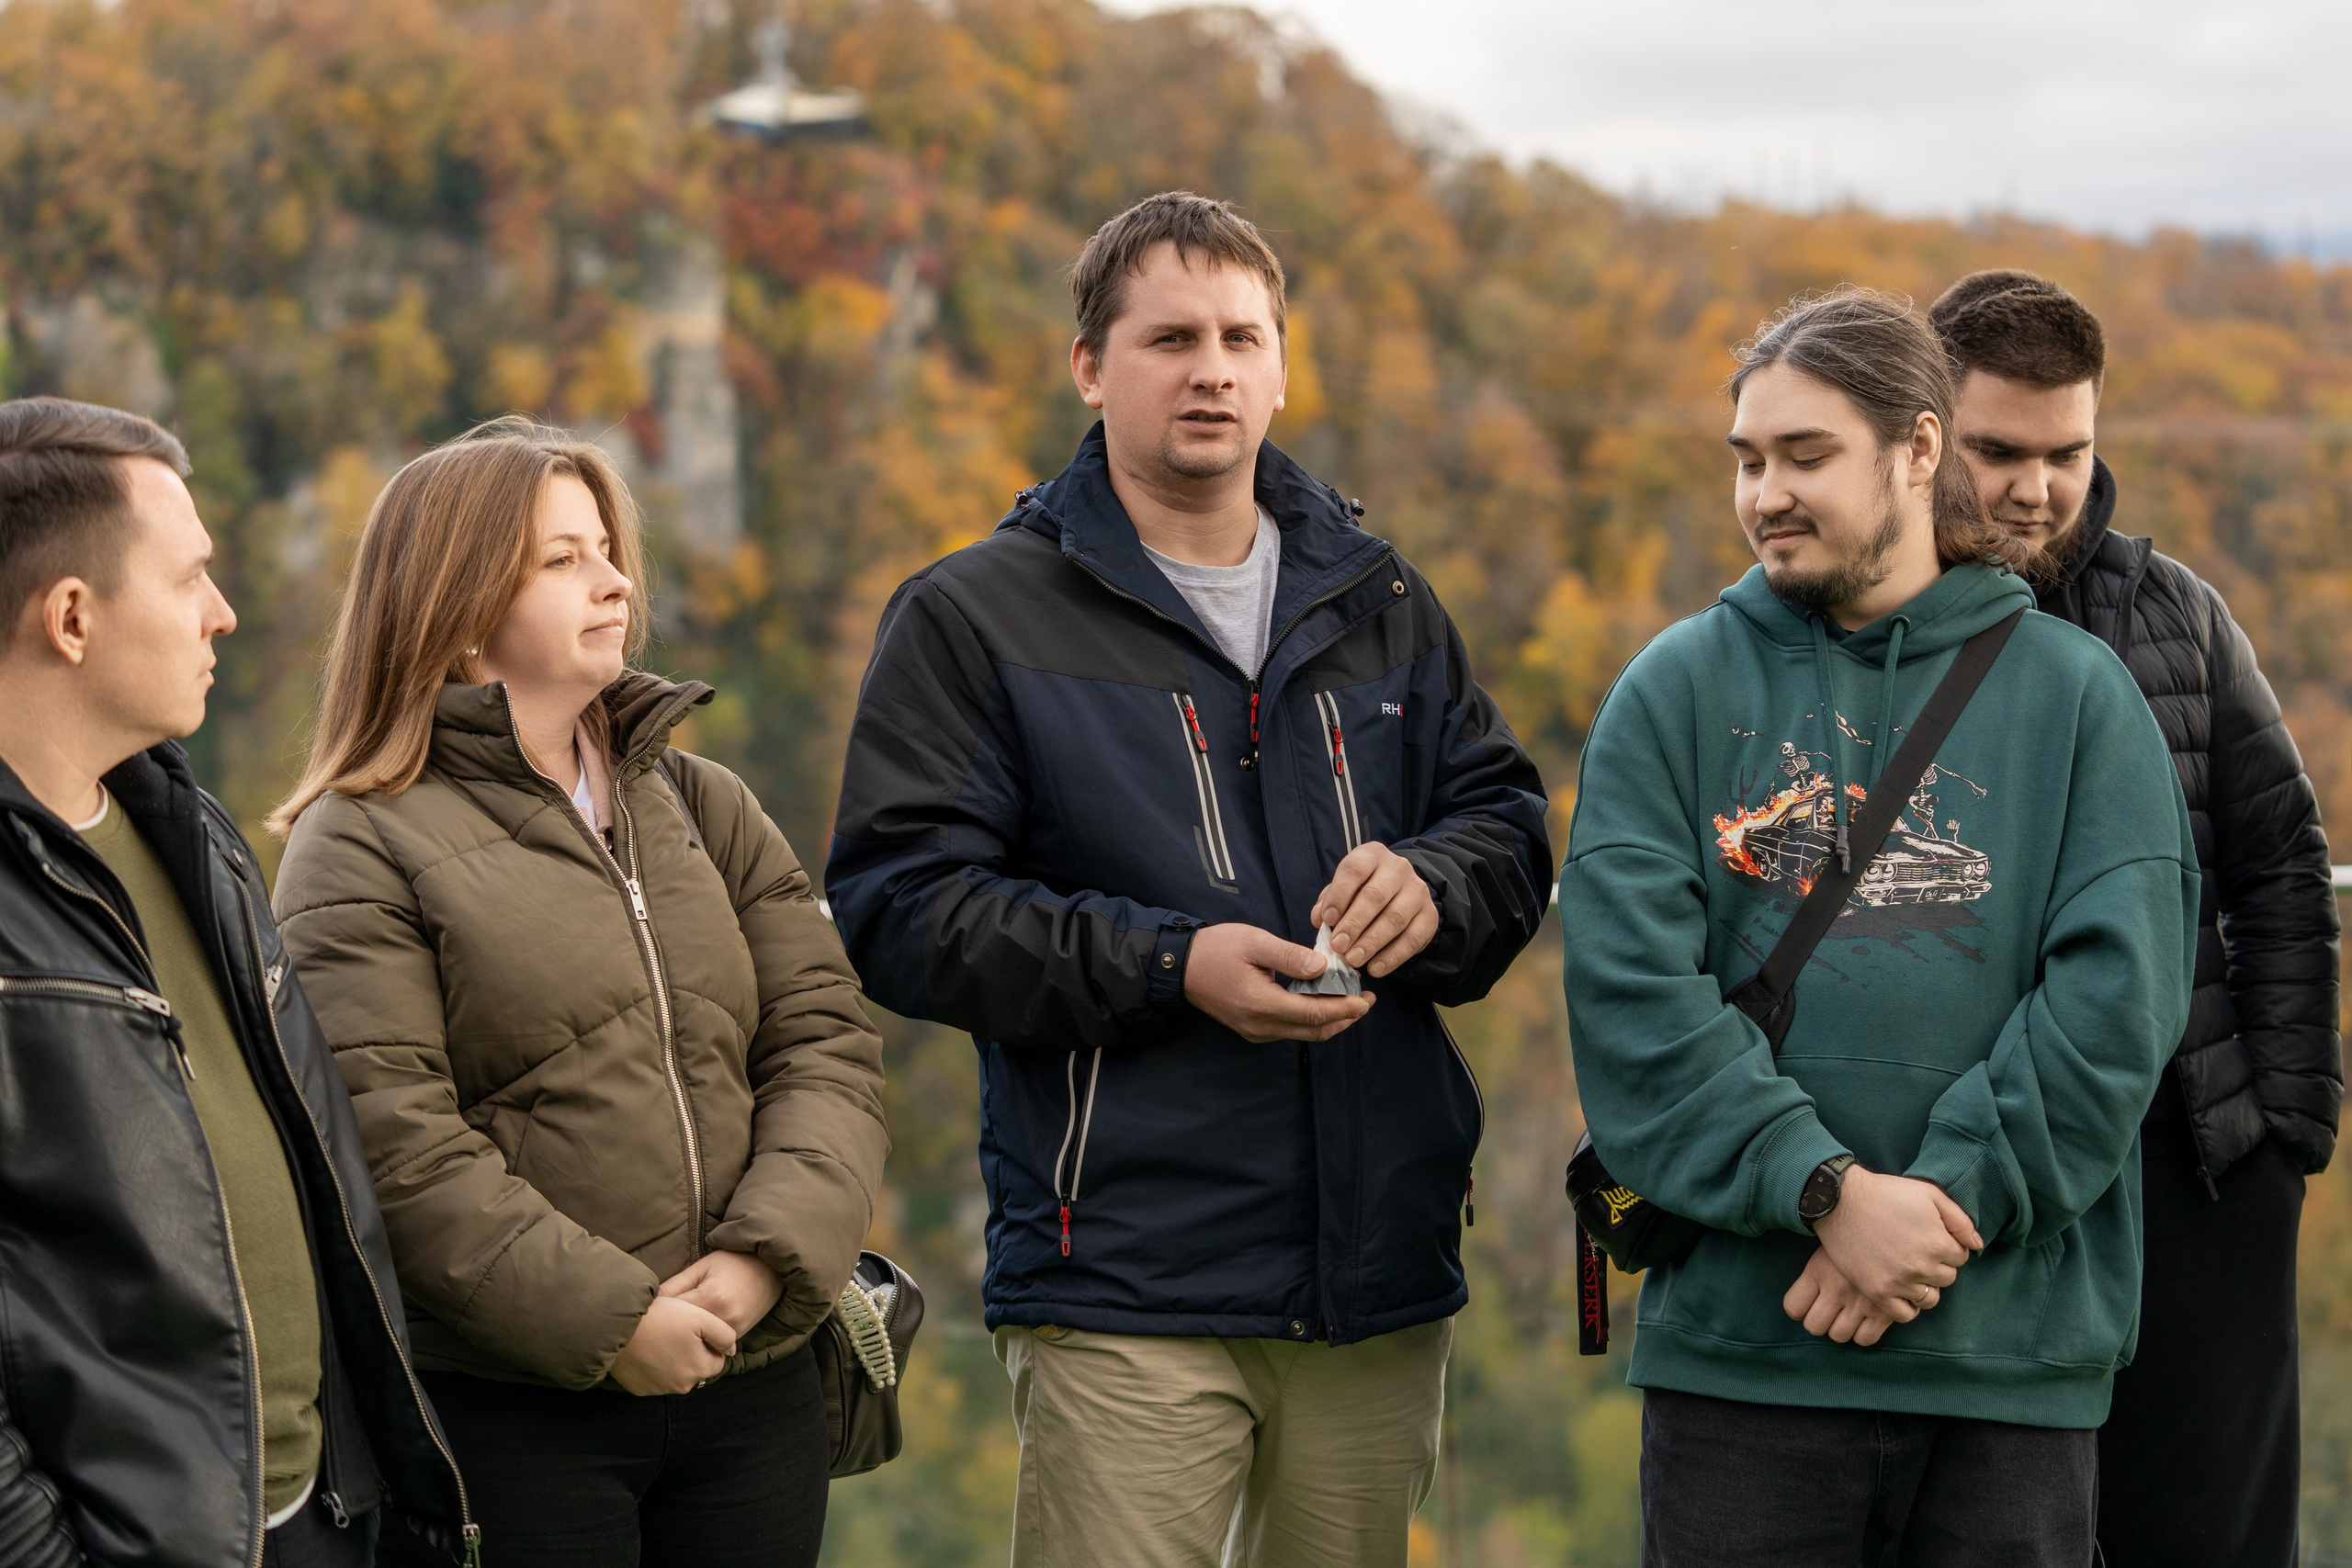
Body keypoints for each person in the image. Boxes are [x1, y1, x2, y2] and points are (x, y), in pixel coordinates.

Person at [826, 191, 1551, 1568]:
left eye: (1240, 335)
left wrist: (1436, 885)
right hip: (1125, 1277)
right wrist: (1173, 963)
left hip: (1375, 1271)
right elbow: (900, 908)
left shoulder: (1383, 596)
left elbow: (1506, 823)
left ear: (1282, 366)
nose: (1211, 367)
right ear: (1092, 368)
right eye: (1169, 337)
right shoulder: (975, 614)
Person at [1560, 288, 2199, 1565]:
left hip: (2006, 1365)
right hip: (1746, 1365)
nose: (1766, 493)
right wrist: (1824, 1187)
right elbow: (1633, 995)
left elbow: (2117, 1002)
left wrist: (1936, 1201)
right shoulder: (1675, 688)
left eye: (1806, 456)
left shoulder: (2080, 698)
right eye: (1748, 459)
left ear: (1917, 451)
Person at [267, 417, 888, 1568]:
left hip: (751, 1397)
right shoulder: (355, 845)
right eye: (562, 560)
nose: (614, 582)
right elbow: (390, 1144)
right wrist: (616, 1325)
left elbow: (826, 1049)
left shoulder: (706, 804)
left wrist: (762, 1261)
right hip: (518, 1421)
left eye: (606, 550)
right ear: (457, 615)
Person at [0, 396, 471, 1567]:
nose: (224, 613)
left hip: (318, 1519)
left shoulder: (188, 833)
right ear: (71, 617)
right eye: (190, 578)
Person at [1932, 270, 2339, 1568]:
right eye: (2000, 451)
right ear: (1927, 430)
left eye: (2068, 453)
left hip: (2194, 1163)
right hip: (1966, 1174)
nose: (2036, 489)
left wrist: (2287, 1126)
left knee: (2212, 1533)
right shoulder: (1866, 628)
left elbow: (2282, 859)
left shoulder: (2178, 614)